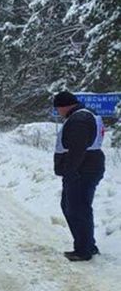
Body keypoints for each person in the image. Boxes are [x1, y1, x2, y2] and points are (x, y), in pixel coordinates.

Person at [53, 91, 106, 261]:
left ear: (64, 106)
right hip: (86, 168)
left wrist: (70, 171)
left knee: (76, 208)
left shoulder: (79, 120)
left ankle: (83, 250)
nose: (58, 112)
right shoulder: (84, 115)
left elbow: (77, 149)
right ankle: (87, 244)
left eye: (58, 108)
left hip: (82, 170)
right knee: (74, 206)